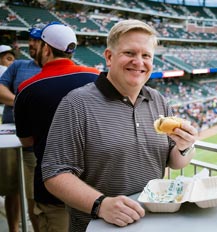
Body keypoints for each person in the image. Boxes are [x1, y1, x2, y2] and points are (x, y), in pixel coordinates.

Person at [41, 19, 198, 232]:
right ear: (109, 57)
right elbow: (54, 174)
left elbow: (175, 161)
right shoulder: (76, 103)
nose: (139, 62)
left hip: (155, 222)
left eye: (146, 55)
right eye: (129, 53)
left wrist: (185, 146)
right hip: (97, 226)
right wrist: (101, 204)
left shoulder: (159, 100)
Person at [14, 22, 100, 232]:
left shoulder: (27, 88)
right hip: (98, 189)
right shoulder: (98, 78)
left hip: (53, 192)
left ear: (46, 48)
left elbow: (27, 141)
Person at [0, 24, 44, 232]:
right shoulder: (18, 66)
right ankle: (13, 229)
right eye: (31, 39)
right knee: (12, 188)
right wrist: (22, 102)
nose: (32, 44)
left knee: (33, 193)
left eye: (37, 40)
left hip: (35, 141)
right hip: (11, 134)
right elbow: (0, 91)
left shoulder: (50, 69)